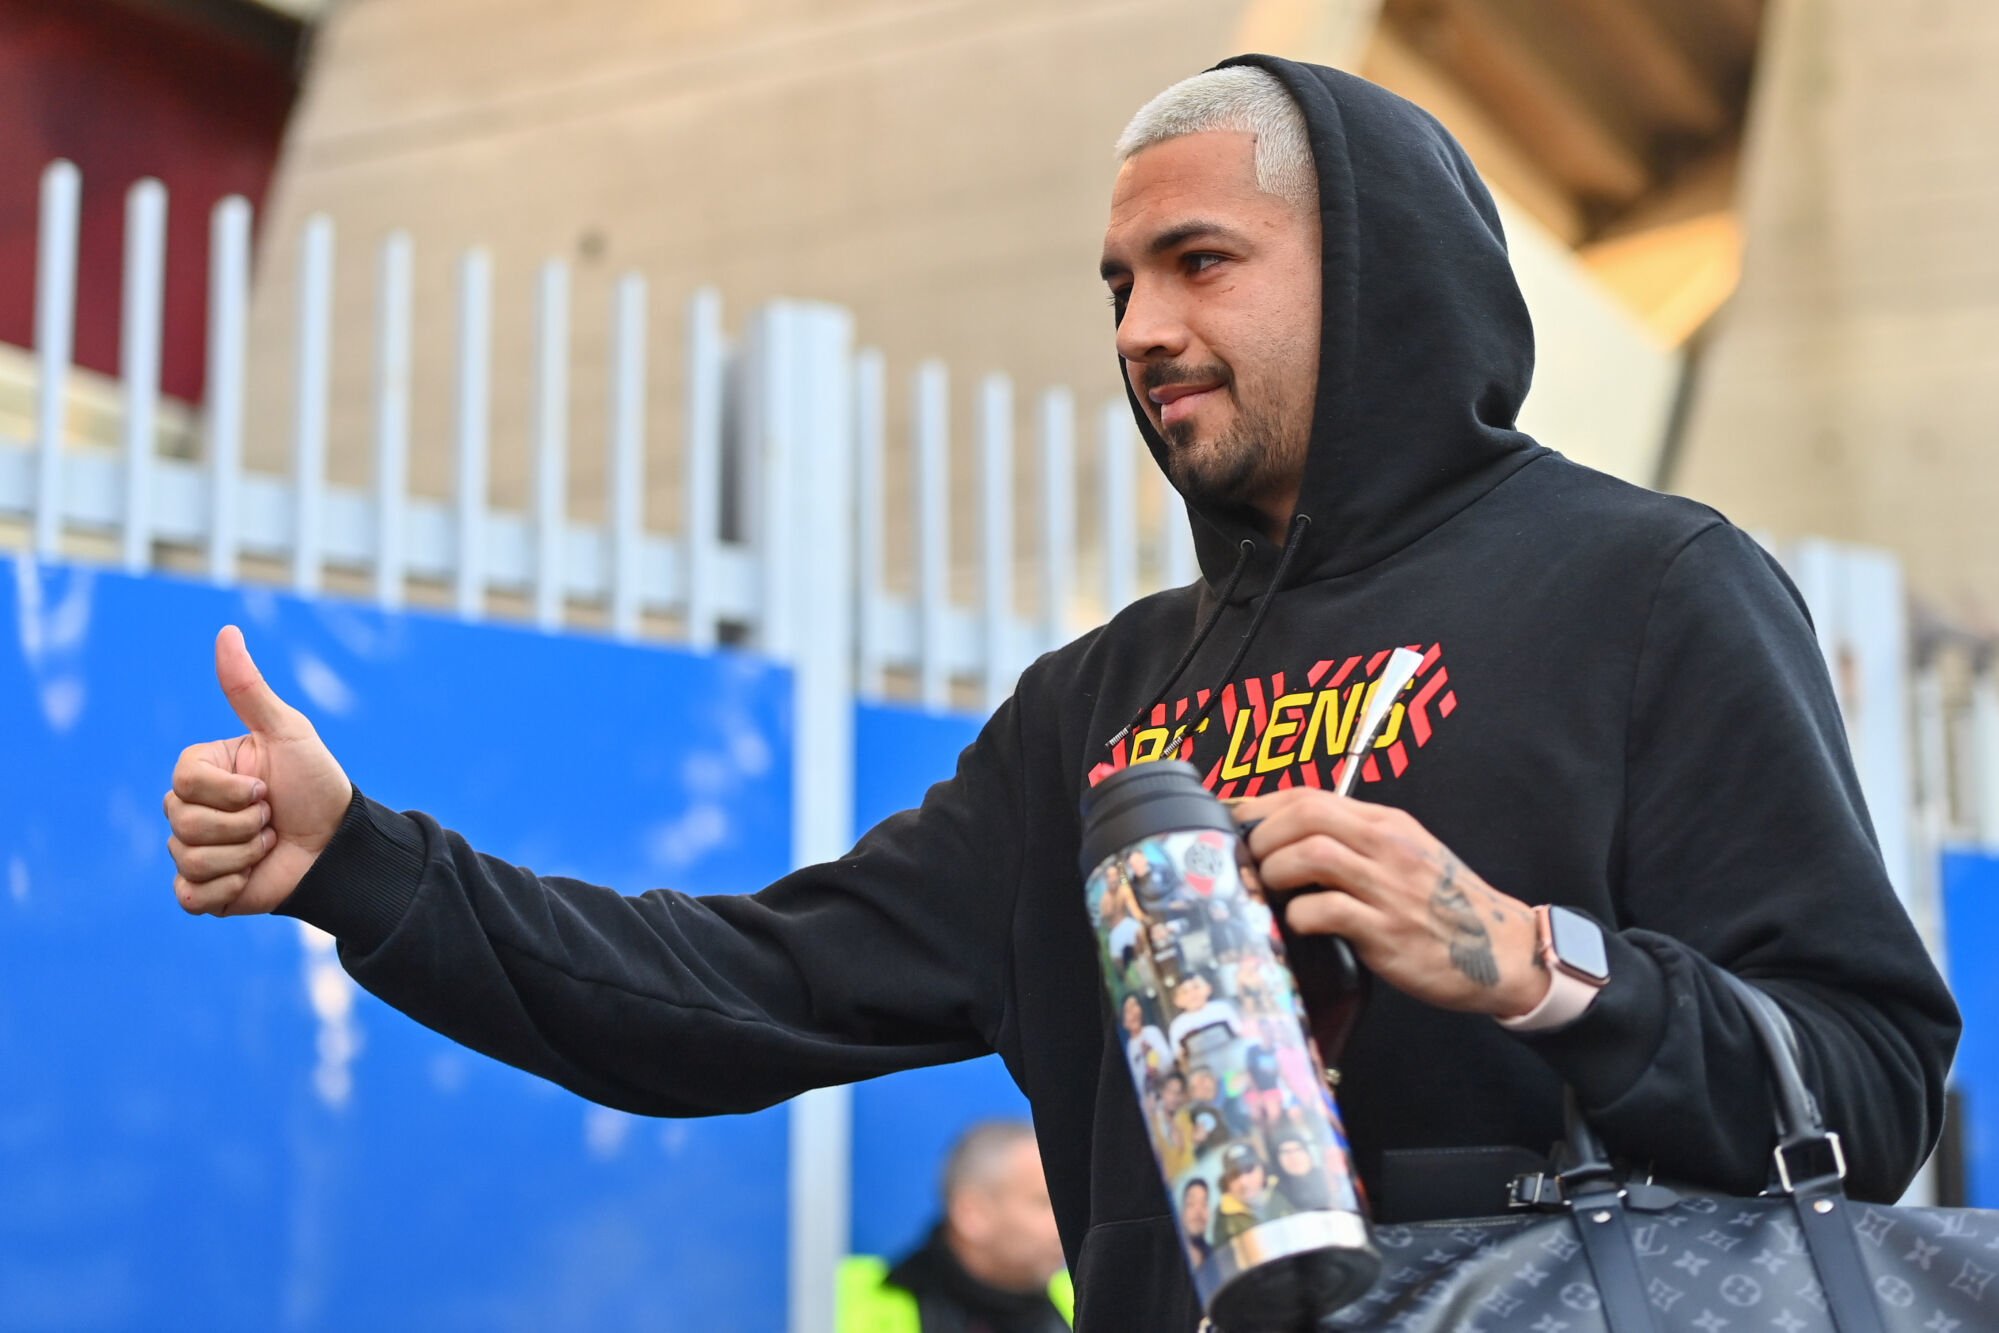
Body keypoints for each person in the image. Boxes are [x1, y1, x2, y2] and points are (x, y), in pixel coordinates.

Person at [162, 55, 1958, 1330]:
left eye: (1199, 263)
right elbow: (743, 989)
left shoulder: (1645, 589)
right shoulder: (1093, 704)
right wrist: (360, 864)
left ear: (1374, 273)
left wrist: (1526, 959)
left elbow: (1867, 1088)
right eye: (1116, 284)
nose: (1138, 330)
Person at [836, 1120, 1071, 1333]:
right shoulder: (840, 1298)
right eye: (1044, 1203)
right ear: (972, 1214)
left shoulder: (1080, 1297)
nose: (1064, 1225)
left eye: (1067, 1206)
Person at [1178, 1179, 1213, 1270]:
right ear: (1181, 1216)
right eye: (1191, 1204)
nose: (1198, 1211)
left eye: (1204, 1204)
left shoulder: (1216, 1256)